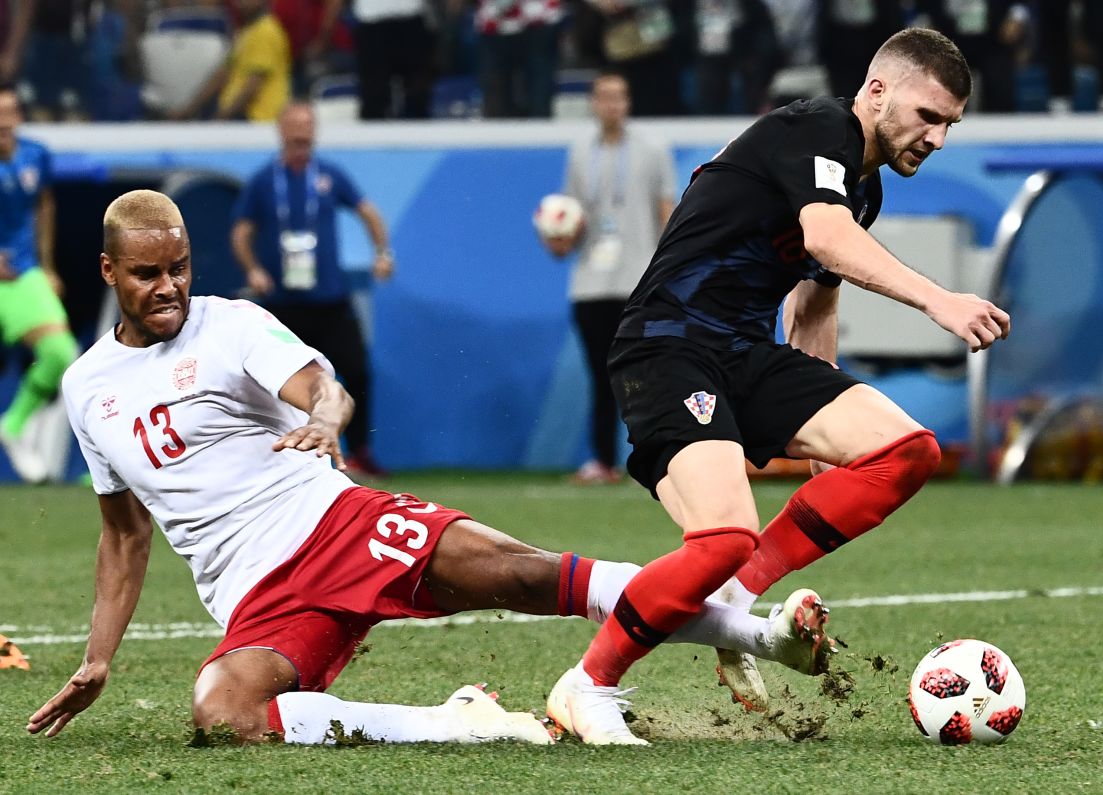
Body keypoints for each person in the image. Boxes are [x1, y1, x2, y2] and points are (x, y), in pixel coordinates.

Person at [27, 189, 826, 746]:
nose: (168, 287)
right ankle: (460, 719)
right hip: (254, 597)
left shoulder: (228, 326)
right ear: (108, 272)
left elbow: (322, 388)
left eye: (179, 268)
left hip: (332, 524)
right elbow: (123, 536)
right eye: (147, 275)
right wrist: (98, 657)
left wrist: (322, 420)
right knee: (225, 711)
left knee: (527, 575)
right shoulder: (88, 386)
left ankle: (762, 633)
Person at [545, 28, 1011, 745]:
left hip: (745, 353)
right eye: (929, 116)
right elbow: (825, 239)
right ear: (877, 91)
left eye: (951, 123)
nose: (939, 138)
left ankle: (736, 596)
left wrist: (823, 429)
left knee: (907, 451)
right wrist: (937, 299)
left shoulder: (865, 185)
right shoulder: (816, 128)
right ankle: (589, 683)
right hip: (668, 348)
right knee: (722, 535)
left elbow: (816, 302)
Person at [231, 101, 390, 477]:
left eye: (308, 126)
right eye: (295, 127)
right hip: (283, 306)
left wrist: (382, 252)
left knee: (357, 371)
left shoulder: (330, 175)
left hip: (330, 301)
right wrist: (253, 268)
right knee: (273, 381)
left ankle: (361, 452)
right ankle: (279, 453)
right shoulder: (264, 180)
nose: (302, 135)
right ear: (282, 131)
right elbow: (241, 231)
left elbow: (367, 210)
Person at [541, 72, 675, 485]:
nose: (611, 105)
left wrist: (669, 268)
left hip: (638, 278)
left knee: (646, 375)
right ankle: (603, 461)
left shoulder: (653, 149)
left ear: (628, 102)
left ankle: (660, 459)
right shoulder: (581, 150)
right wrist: (559, 237)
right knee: (601, 375)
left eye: (618, 97)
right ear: (594, 103)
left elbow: (666, 210)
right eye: (603, 97)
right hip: (590, 282)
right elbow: (572, 213)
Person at [0, 83, 78, 483]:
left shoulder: (35, 155)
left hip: (22, 274)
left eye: (9, 112)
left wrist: (47, 265)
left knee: (61, 353)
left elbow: (43, 203)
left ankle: (13, 426)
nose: (3, 121)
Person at [171, 0, 291, 122]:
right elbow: (223, 73)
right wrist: (189, 109)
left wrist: (222, 118)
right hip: (238, 114)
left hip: (258, 118)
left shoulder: (266, 31)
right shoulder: (246, 31)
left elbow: (253, 84)